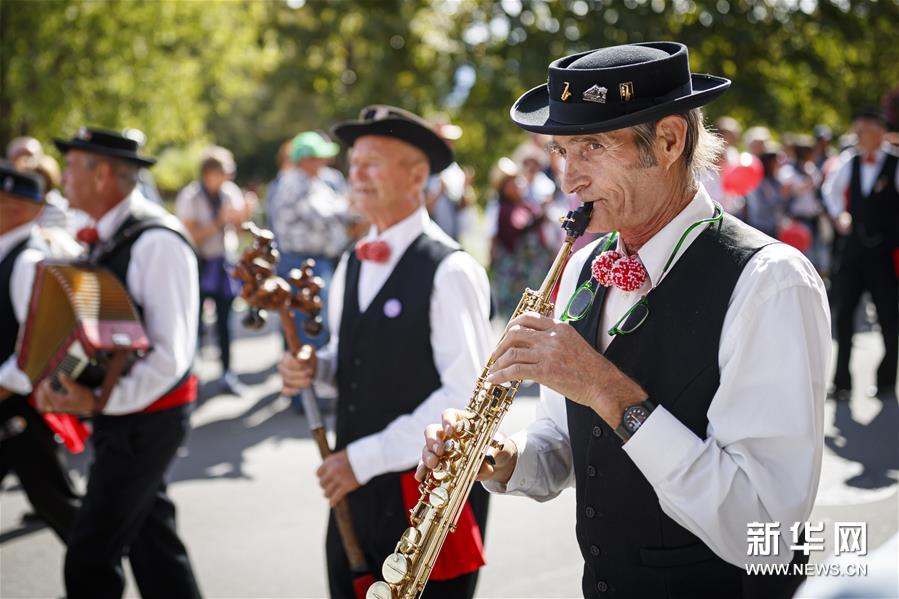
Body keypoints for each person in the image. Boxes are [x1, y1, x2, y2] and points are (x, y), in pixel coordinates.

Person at [417, 42, 831, 599]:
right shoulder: (585, 263)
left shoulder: (770, 282)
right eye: (563, 150)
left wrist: (606, 388)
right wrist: (496, 456)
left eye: (592, 147)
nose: (569, 180)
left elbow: (767, 529)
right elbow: (562, 442)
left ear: (668, 141)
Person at [278, 105, 493, 599]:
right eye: (353, 164)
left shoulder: (451, 270)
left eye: (372, 162)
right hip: (355, 492)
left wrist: (363, 458)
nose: (356, 175)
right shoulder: (351, 262)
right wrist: (316, 368)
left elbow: (468, 399)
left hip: (423, 501)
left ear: (417, 174)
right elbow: (353, 358)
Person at [35, 127, 202, 599]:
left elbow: (171, 357)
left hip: (146, 419)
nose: (63, 177)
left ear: (103, 173)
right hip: (125, 415)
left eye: (71, 167)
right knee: (154, 546)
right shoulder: (102, 236)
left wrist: (100, 398)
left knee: (89, 558)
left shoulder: (157, 241)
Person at [0, 162, 83, 542]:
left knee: (58, 504)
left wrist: (5, 386)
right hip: (10, 401)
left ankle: (97, 570)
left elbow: (39, 346)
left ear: (15, 207)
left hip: (17, 404)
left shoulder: (27, 261)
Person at [822, 108, 899, 401]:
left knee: (889, 319)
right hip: (853, 254)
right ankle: (841, 383)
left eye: (863, 130)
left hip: (883, 254)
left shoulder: (895, 164)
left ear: (879, 131)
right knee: (843, 318)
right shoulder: (848, 162)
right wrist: (839, 215)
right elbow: (830, 191)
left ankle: (887, 382)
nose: (857, 135)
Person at [176, 145, 253, 395]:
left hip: (224, 265)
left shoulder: (229, 192)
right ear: (209, 172)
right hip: (199, 264)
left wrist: (243, 216)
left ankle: (227, 375)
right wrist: (218, 221)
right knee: (194, 324)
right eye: (225, 171)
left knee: (225, 324)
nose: (229, 176)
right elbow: (191, 236)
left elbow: (239, 229)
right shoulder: (190, 196)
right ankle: (191, 379)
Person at [270, 131, 349, 350]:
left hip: (312, 262)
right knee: (312, 325)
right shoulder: (296, 183)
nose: (324, 162)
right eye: (318, 158)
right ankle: (308, 380)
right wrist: (354, 207)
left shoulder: (312, 181)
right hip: (304, 263)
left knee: (311, 323)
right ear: (305, 160)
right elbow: (323, 215)